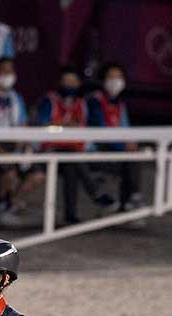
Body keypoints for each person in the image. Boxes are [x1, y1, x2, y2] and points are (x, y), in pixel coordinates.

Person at [36, 65, 117, 224]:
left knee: (71, 167)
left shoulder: (81, 104)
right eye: (66, 81)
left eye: (73, 81)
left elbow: (84, 129)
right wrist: (63, 127)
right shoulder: (49, 101)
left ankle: (70, 215)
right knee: (73, 160)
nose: (70, 85)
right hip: (50, 150)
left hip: (73, 152)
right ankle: (95, 193)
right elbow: (43, 127)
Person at [0, 57, 44, 226]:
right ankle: (1, 208)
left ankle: (12, 205)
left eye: (10, 71)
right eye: (3, 71)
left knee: (38, 175)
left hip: (14, 148)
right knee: (9, 172)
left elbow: (23, 125)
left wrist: (25, 145)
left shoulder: (16, 98)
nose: (7, 75)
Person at [86, 61, 142, 213]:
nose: (115, 81)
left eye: (118, 77)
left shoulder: (120, 104)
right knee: (129, 159)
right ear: (103, 80)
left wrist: (130, 142)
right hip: (96, 150)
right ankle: (132, 197)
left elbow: (126, 129)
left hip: (116, 148)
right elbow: (101, 132)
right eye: (111, 77)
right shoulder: (94, 101)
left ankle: (129, 201)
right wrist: (124, 146)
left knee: (135, 155)